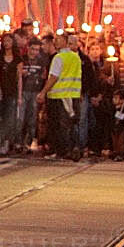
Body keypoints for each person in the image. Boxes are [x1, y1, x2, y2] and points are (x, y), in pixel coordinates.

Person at [41, 31, 84, 159]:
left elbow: (54, 77)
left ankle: (62, 151)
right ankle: (72, 149)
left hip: (60, 96)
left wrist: (43, 92)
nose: (55, 41)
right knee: (71, 124)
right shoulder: (76, 57)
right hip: (73, 95)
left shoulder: (59, 58)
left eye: (59, 39)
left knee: (59, 126)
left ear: (66, 41)